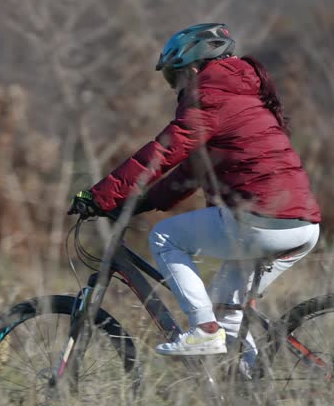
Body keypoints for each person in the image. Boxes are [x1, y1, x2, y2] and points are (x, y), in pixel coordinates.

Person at [68, 23, 321, 362]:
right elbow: (189, 172)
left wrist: (101, 196)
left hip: (260, 221)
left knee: (164, 239)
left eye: (173, 77)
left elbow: (161, 153)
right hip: (302, 226)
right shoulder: (241, 95)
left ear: (192, 68)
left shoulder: (210, 97)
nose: (174, 87)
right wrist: (139, 202)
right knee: (225, 306)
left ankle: (204, 330)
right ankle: (247, 394)